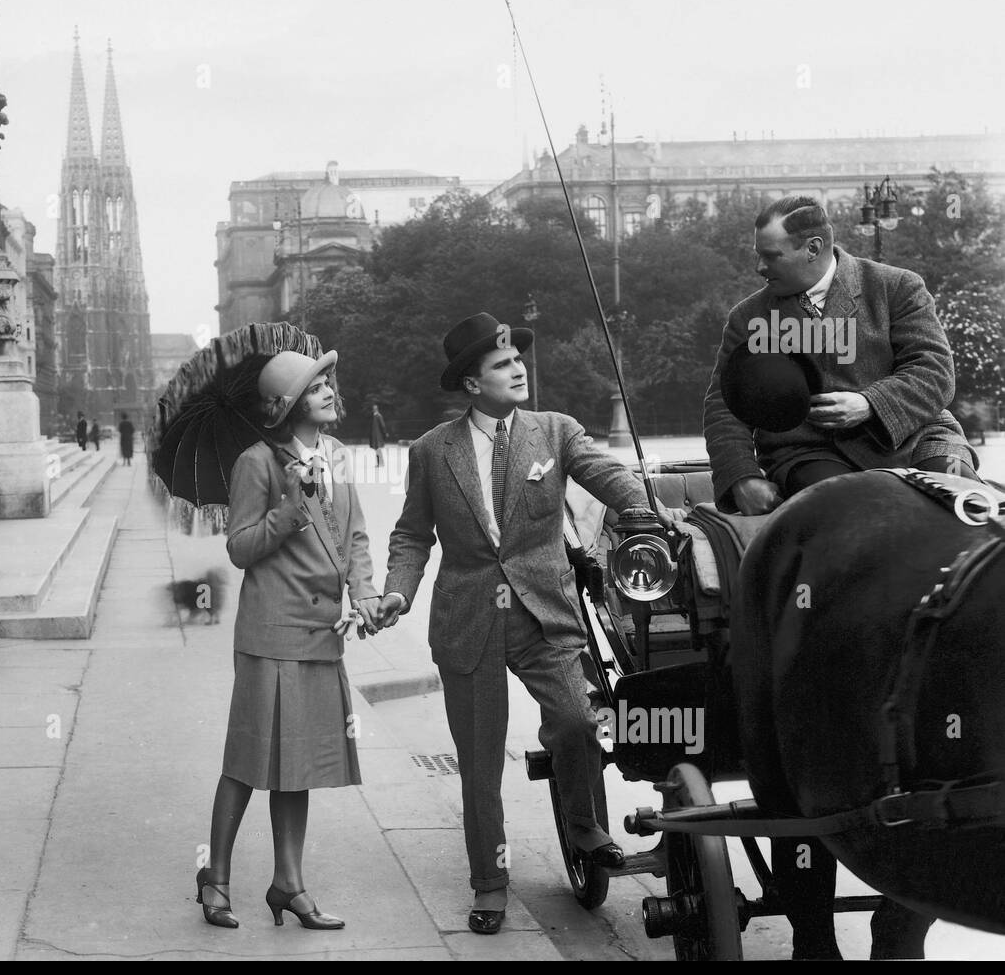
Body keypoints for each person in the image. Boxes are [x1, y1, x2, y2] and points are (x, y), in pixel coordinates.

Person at [375, 312, 684, 935]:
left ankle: (581, 826)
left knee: (574, 720)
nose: (517, 368)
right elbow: (412, 533)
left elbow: (609, 475)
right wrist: (396, 593)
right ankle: (489, 883)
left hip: (547, 614)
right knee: (482, 762)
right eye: (500, 363)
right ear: (470, 384)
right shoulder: (432, 452)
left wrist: (646, 510)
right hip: (469, 622)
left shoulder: (555, 431)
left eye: (517, 357)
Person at [197, 349, 382, 931]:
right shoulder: (258, 463)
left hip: (321, 632)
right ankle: (216, 878)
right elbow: (239, 548)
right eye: (313, 386)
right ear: (284, 406)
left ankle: (288, 883)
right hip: (271, 633)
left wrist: (366, 595)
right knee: (249, 758)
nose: (329, 390)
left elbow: (354, 535)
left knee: (296, 764)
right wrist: (290, 507)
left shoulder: (338, 455)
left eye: (328, 381)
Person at [704, 195, 978, 516]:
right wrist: (742, 478)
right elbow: (725, 405)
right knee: (844, 522)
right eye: (758, 255)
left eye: (771, 256)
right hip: (807, 454)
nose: (759, 267)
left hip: (916, 441)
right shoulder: (748, 317)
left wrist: (869, 405)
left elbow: (934, 373)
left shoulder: (898, 287)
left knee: (969, 512)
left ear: (813, 248)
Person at [369, 402, 388, 468]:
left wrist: (385, 433)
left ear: (377, 409)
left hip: (378, 437)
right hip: (375, 436)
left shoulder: (378, 416)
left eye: (375, 409)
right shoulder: (374, 416)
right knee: (377, 449)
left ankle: (380, 463)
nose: (374, 410)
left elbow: (383, 426)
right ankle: (380, 463)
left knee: (378, 449)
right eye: (373, 409)